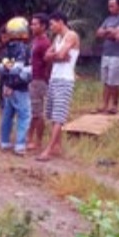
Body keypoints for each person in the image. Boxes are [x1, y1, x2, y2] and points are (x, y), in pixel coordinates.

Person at [37, 12, 80, 162]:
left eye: (52, 24)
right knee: (51, 113)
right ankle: (57, 146)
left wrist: (56, 56)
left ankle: (49, 149)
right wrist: (57, 56)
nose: (51, 27)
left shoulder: (71, 35)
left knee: (58, 116)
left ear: (60, 22)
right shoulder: (58, 38)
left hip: (65, 79)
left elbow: (61, 55)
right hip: (55, 78)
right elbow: (47, 57)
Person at [0, 17, 33, 156]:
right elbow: (19, 69)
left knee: (7, 115)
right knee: (24, 116)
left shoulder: (7, 48)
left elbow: (1, 68)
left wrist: (7, 83)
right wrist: (16, 80)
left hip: (7, 86)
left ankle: (4, 142)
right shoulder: (23, 48)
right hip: (20, 87)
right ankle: (20, 145)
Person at [95, 0, 119, 114]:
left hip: (118, 54)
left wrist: (109, 32)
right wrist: (109, 32)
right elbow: (98, 33)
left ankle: (114, 104)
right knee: (105, 80)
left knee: (113, 81)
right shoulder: (108, 19)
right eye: (109, 6)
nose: (110, 8)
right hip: (107, 52)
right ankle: (104, 104)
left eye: (113, 6)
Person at [28, 13, 52, 151]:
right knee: (33, 111)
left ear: (43, 26)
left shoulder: (44, 43)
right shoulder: (36, 40)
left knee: (37, 112)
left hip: (39, 79)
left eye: (35, 24)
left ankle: (38, 141)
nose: (32, 26)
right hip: (33, 78)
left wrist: (45, 77)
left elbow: (48, 62)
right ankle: (29, 138)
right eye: (32, 24)